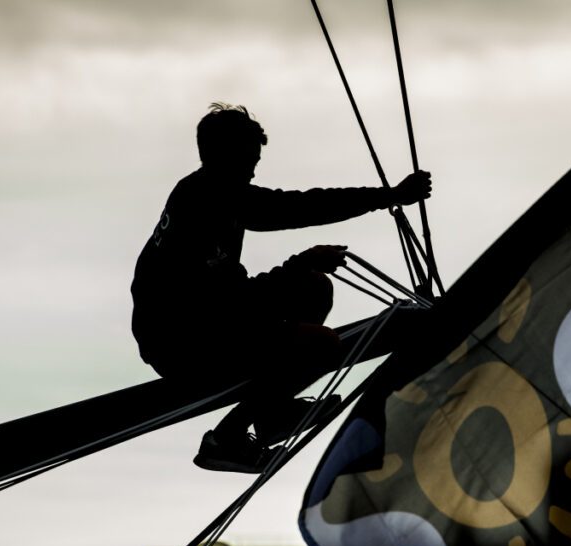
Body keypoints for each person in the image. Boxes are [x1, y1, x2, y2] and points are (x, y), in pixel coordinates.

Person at [131, 103, 432, 473]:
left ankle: (272, 415)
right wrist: (299, 263)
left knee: (313, 289)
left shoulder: (216, 192)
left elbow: (302, 206)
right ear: (225, 157)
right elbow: (229, 301)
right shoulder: (204, 205)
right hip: (181, 341)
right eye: (249, 160)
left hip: (200, 322)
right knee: (321, 344)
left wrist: (387, 197)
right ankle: (227, 438)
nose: (254, 170)